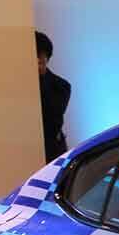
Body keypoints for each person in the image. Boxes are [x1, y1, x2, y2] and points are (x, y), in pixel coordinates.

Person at [36, 31, 71, 162]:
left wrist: (41, 78)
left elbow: (53, 120)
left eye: (39, 56)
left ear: (46, 58)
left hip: (51, 152)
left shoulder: (61, 86)